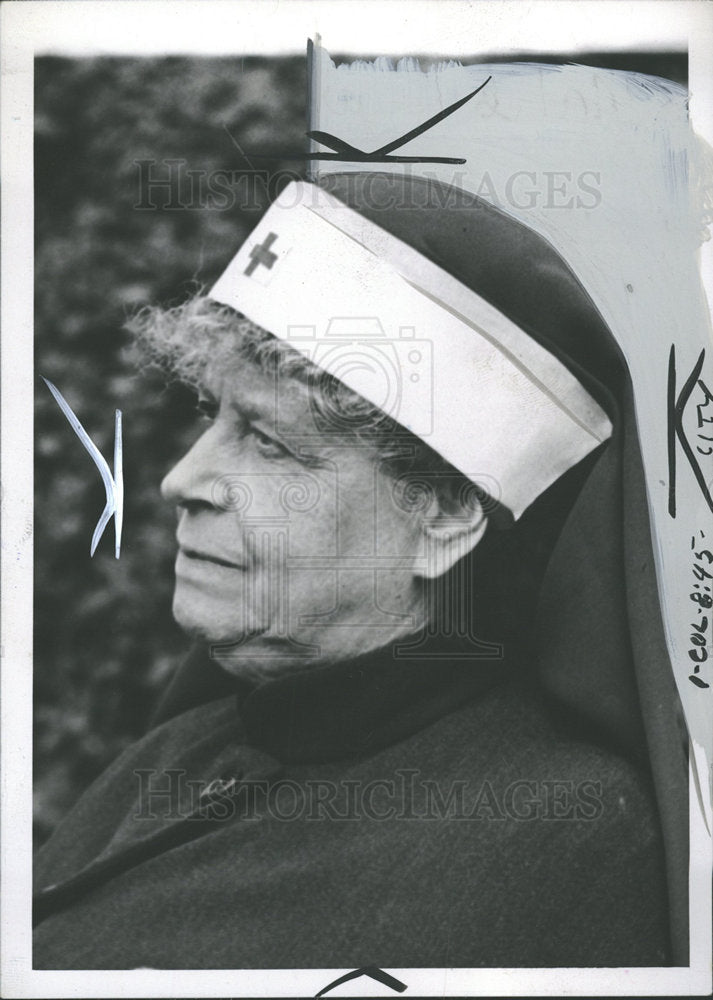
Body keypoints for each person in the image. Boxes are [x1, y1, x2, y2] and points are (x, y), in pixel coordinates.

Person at [33, 172, 688, 969]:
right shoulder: (172, 757)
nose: (181, 481)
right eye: (215, 416)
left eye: (270, 443)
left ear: (442, 513)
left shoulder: (563, 841)